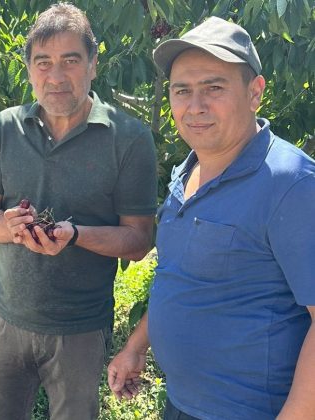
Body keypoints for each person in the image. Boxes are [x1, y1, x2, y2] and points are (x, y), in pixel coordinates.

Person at [107, 17, 315, 419]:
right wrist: (136, 346)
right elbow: (181, 275)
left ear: (255, 92)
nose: (195, 106)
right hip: (182, 405)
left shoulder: (291, 184)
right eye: (181, 90)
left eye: (213, 88)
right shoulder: (185, 175)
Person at [0, 3, 158, 419]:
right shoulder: (6, 127)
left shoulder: (128, 138)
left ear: (93, 64)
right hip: (6, 319)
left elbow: (139, 241)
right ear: (29, 69)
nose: (55, 77)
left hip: (80, 329)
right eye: (44, 63)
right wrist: (9, 227)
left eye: (70, 61)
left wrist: (75, 235)